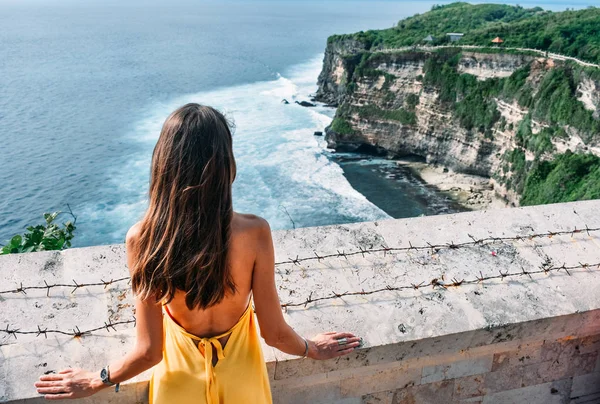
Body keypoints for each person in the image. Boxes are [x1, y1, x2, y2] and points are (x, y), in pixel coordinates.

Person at [34, 104, 361, 403]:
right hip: (242, 384)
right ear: (225, 164)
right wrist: (313, 348)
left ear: (164, 164)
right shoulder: (255, 232)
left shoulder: (143, 239)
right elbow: (274, 333)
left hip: (179, 387)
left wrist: (95, 380)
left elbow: (149, 353)